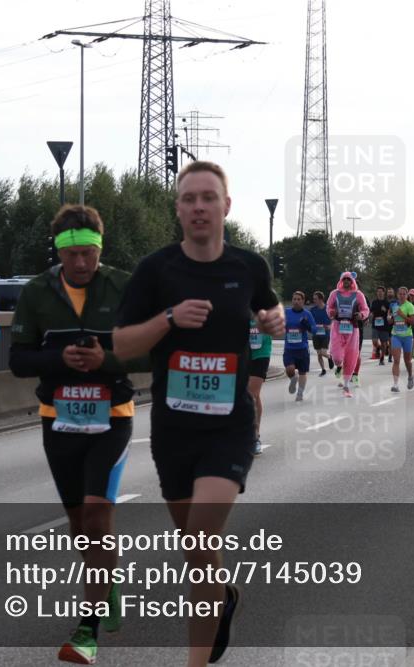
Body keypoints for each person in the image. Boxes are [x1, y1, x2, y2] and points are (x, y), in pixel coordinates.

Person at [112, 161, 284, 667]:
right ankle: (223, 596)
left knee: (204, 534)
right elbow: (121, 345)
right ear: (178, 209)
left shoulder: (248, 267)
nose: (199, 207)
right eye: (189, 198)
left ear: (226, 206)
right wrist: (168, 318)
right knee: (195, 553)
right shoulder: (156, 270)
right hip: (173, 428)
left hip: (228, 426)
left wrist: (272, 319)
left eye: (209, 197)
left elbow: (267, 313)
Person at [10, 204, 149, 664]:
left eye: (90, 253)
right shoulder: (36, 292)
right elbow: (18, 360)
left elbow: (151, 352)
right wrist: (60, 360)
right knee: (77, 526)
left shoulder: (124, 286)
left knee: (95, 517)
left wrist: (104, 362)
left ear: (99, 250)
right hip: (58, 416)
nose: (83, 264)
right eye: (74, 256)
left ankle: (86, 630)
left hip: (113, 414)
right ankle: (105, 584)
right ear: (60, 253)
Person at [327, 272, 369, 398]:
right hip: (338, 327)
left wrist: (361, 315)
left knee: (351, 356)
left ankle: (346, 385)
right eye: (344, 279)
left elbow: (365, 309)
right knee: (337, 357)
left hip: (353, 328)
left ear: (352, 281)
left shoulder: (358, 294)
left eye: (348, 279)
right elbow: (329, 307)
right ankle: (339, 365)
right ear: (341, 280)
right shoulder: (334, 294)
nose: (346, 281)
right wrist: (331, 312)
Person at [284, 291, 317, 402]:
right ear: (292, 300)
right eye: (294, 299)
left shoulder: (307, 314)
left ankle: (300, 393)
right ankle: (293, 379)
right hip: (289, 348)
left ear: (303, 301)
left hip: (302, 348)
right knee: (289, 369)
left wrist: (306, 325)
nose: (296, 301)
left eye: (299, 299)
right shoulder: (286, 312)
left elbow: (314, 330)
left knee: (302, 372)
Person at [247, 317, 272, 455]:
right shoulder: (240, 304)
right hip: (244, 354)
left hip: (261, 353)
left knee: (252, 394)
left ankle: (255, 437)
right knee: (247, 395)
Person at [389, 286, 414, 392]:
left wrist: (403, 315)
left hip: (407, 336)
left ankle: (410, 376)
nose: (401, 296)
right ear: (397, 295)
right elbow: (391, 320)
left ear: (407, 295)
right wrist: (390, 319)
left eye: (403, 294)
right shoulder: (394, 305)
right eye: (400, 294)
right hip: (395, 335)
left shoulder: (409, 306)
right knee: (396, 360)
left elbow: (413, 322)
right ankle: (395, 384)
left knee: (407, 361)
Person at [308, 290, 332, 376]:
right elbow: (309, 321)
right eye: (313, 299)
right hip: (316, 334)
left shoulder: (328, 309)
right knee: (319, 354)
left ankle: (330, 357)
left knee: (323, 352)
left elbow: (334, 320)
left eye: (316, 299)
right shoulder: (312, 310)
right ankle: (323, 369)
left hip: (325, 334)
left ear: (321, 299)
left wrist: (330, 326)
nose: (314, 301)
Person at [369, 287, 391, 365]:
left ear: (384, 293)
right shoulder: (374, 302)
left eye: (381, 292)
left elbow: (390, 313)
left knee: (384, 343)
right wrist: (370, 316)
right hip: (375, 324)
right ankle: (378, 348)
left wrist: (386, 311)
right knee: (375, 341)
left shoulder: (387, 303)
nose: (379, 293)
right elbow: (371, 311)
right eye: (378, 291)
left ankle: (382, 359)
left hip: (384, 325)